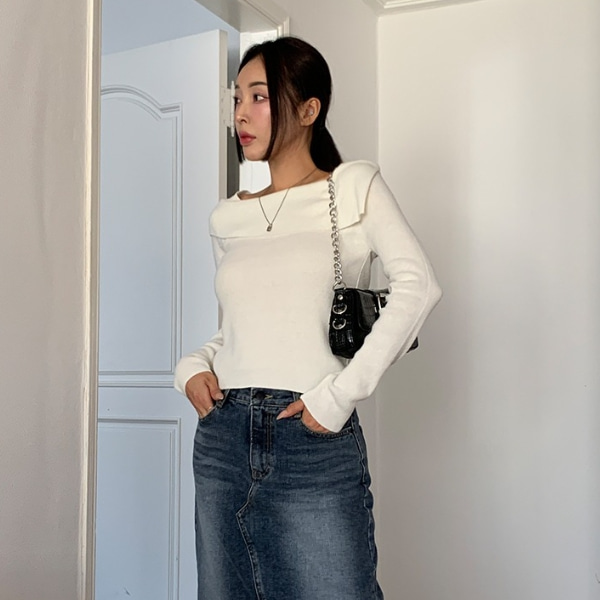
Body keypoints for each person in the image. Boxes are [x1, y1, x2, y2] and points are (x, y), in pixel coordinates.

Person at [174, 36, 442, 600]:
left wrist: (339, 397)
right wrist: (193, 366)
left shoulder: (352, 187)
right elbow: (240, 328)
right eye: (236, 98)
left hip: (311, 433)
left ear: (308, 109)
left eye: (258, 96)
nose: (240, 113)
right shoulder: (227, 218)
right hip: (222, 434)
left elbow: (418, 287)